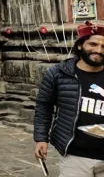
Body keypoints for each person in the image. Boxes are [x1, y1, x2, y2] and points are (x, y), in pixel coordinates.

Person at [34, 21, 104, 176]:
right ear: (80, 45)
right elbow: (44, 106)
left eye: (103, 47)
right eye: (92, 44)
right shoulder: (59, 73)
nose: (98, 50)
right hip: (75, 156)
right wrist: (41, 138)